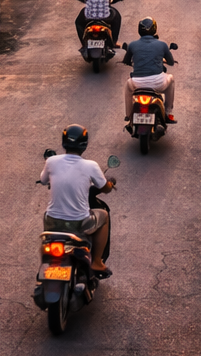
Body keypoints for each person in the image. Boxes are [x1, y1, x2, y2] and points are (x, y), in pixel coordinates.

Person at [37, 125, 114, 278]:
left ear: (63, 142)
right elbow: (105, 188)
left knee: (47, 213)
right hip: (79, 223)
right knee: (103, 215)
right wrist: (110, 183)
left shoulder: (51, 161)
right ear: (84, 144)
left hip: (52, 222)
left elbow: (43, 180)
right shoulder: (91, 166)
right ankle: (97, 262)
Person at [122, 17, 175, 123]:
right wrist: (163, 59)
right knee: (171, 79)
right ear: (154, 29)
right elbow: (171, 62)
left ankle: (128, 115)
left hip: (137, 84)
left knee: (128, 85)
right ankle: (168, 112)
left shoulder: (132, 45)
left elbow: (126, 60)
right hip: (158, 83)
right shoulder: (162, 44)